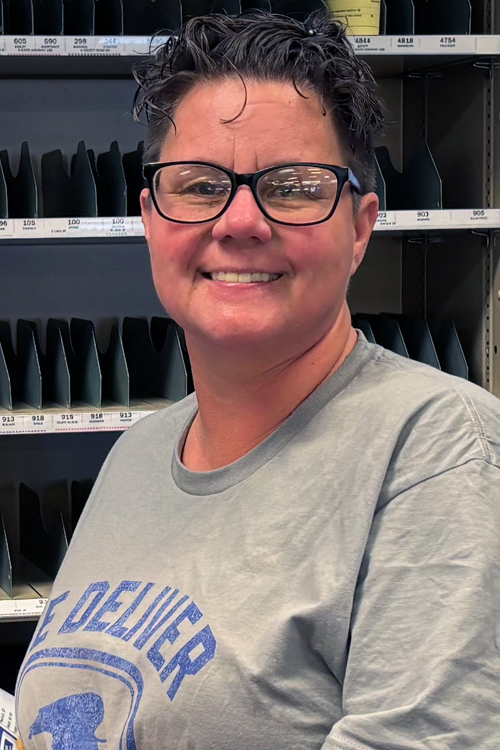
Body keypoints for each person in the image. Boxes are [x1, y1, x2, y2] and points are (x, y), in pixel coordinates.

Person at [15, 11, 500, 750]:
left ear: (361, 227)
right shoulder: (138, 456)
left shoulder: (439, 455)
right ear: (151, 218)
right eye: (200, 185)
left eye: (296, 186)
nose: (239, 221)